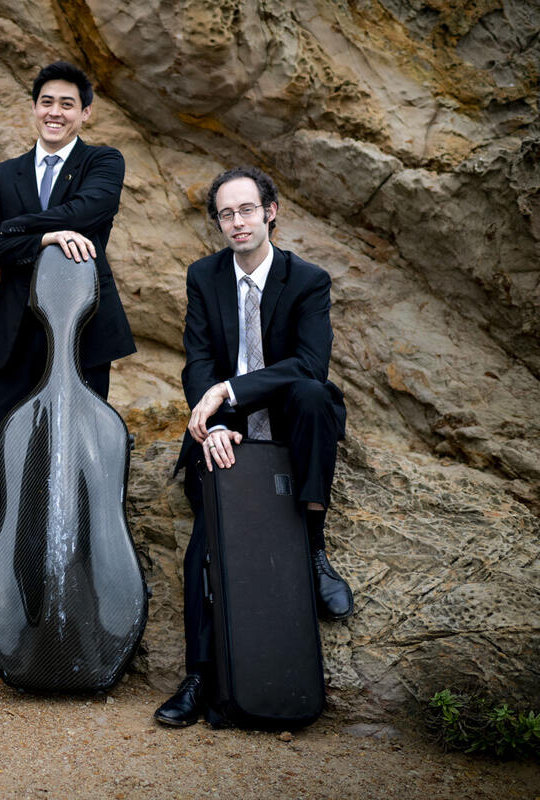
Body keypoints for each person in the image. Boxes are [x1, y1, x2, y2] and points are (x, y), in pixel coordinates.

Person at [0, 61, 136, 659]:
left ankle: (78, 610)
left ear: (85, 112)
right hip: (15, 344)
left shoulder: (103, 162)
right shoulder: (4, 173)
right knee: (0, 475)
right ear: (34, 108)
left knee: (80, 470)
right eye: (45, 102)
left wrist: (22, 230)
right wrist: (49, 237)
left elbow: (90, 213)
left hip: (82, 339)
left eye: (66, 104)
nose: (55, 112)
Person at [155, 165, 354, 728]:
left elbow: (310, 364)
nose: (236, 222)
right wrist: (214, 420)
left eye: (246, 209)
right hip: (227, 425)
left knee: (316, 395)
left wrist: (232, 387)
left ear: (271, 211)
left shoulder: (308, 280)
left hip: (290, 416)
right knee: (207, 543)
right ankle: (198, 677)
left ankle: (313, 551)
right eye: (226, 213)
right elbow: (196, 358)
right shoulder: (204, 276)